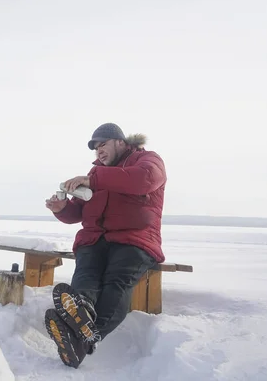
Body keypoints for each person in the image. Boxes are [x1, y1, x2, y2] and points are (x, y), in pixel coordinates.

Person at [43, 122, 167, 369]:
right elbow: (80, 212)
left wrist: (93, 179)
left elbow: (143, 180)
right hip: (94, 239)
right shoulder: (96, 176)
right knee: (86, 276)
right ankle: (81, 318)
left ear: (120, 142)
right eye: (95, 148)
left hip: (134, 239)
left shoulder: (147, 161)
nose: (98, 151)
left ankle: (85, 338)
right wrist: (63, 209)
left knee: (116, 282)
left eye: (103, 144)